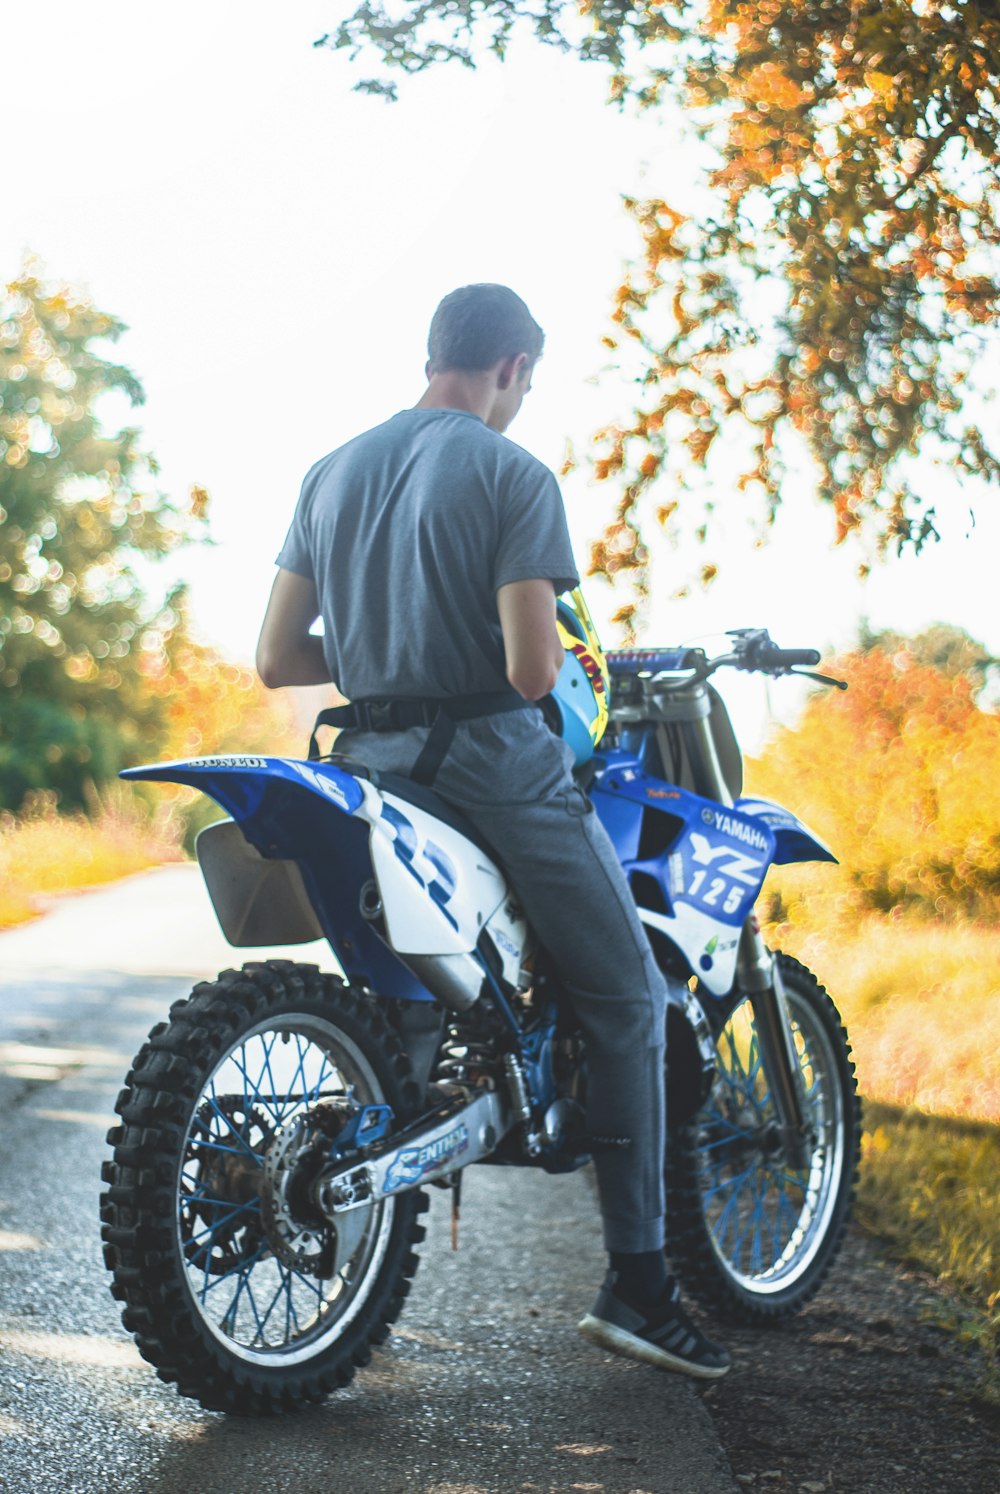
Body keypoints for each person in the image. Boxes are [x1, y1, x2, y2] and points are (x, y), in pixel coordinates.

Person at [256, 283, 731, 1380]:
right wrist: (487, 645)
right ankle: (640, 1287)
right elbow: (528, 672)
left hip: (368, 762)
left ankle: (358, 1268)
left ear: (435, 356)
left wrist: (385, 643)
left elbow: (279, 658)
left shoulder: (330, 472)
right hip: (490, 763)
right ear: (512, 367)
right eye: (529, 382)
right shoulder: (514, 474)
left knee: (406, 997)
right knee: (625, 998)